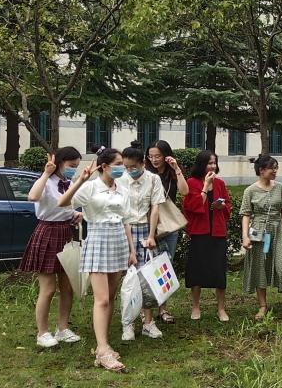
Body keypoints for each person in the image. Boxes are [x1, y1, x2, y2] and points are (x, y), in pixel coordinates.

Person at [58, 148, 136, 373]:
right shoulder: (90, 187)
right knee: (101, 299)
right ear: (104, 166)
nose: (122, 167)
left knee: (110, 297)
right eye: (118, 163)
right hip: (98, 241)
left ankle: (105, 341)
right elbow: (63, 202)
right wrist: (80, 180)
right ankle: (102, 350)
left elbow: (126, 220)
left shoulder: (123, 188)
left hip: (118, 242)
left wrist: (131, 250)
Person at [20, 147, 84, 349]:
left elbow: (66, 206)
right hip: (47, 233)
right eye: (71, 165)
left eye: (76, 166)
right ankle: (42, 332)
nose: (73, 169)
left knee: (67, 287)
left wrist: (74, 214)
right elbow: (32, 197)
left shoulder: (69, 183)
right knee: (48, 289)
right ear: (60, 163)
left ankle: (63, 328)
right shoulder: (46, 181)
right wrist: (46, 173)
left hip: (66, 232)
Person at [240, 156, 282, 320]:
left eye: (276, 168)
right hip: (258, 233)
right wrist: (245, 236)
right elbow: (246, 214)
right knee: (260, 267)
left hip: (277, 231)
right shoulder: (250, 191)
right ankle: (262, 306)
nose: (275, 171)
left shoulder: (280, 187)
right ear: (261, 170)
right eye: (272, 168)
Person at [118, 143, 167, 341]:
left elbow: (155, 208)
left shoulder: (153, 179)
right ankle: (127, 323)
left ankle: (148, 322)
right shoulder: (120, 180)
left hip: (145, 229)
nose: (130, 171)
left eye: (134, 167)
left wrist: (151, 235)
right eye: (126, 167)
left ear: (142, 163)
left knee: (147, 278)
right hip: (124, 230)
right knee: (128, 280)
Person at [183, 150, 231, 322]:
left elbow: (228, 206)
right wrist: (205, 187)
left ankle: (221, 308)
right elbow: (191, 207)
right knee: (196, 271)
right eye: (209, 163)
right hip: (199, 233)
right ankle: (196, 306)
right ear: (201, 164)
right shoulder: (192, 182)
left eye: (214, 163)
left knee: (219, 272)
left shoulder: (220, 183)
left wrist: (222, 206)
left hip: (217, 233)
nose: (212, 166)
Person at [145, 140, 188, 324]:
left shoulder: (172, 172)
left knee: (165, 267)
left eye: (158, 156)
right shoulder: (146, 173)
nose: (154, 160)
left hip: (169, 224)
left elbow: (185, 192)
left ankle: (163, 309)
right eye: (151, 156)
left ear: (166, 155)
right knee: (147, 266)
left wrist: (176, 168)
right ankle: (145, 310)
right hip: (148, 224)